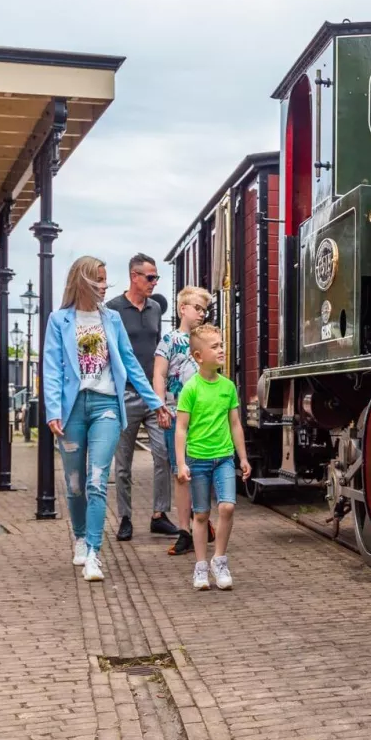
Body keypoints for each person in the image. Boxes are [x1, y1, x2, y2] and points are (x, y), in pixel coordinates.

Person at [43, 256, 168, 582]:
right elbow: (52, 368)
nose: (104, 285)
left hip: (106, 407)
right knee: (74, 485)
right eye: (98, 279)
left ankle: (95, 554)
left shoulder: (111, 319)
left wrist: (156, 403)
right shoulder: (59, 321)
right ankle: (81, 537)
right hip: (72, 410)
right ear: (83, 280)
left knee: (97, 481)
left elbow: (130, 364)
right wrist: (52, 410)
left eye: (105, 279)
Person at [173, 324, 251, 590]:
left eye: (221, 345)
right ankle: (201, 567)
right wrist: (181, 463)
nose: (221, 350)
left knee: (227, 506)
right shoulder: (191, 389)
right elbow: (181, 428)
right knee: (202, 515)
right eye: (215, 347)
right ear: (198, 356)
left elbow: (235, 425)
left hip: (224, 458)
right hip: (198, 460)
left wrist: (243, 457)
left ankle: (220, 560)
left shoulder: (228, 387)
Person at [107, 252, 176, 542]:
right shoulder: (112, 309)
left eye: (156, 277)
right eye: (150, 277)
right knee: (123, 463)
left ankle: (159, 515)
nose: (154, 282)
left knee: (163, 455)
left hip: (153, 395)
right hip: (124, 395)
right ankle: (124, 517)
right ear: (134, 277)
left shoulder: (155, 310)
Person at [154, 285, 212, 557]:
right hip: (176, 414)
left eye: (204, 310)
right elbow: (160, 375)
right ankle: (184, 531)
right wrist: (160, 406)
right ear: (182, 309)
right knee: (181, 473)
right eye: (197, 308)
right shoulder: (169, 340)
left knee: (202, 468)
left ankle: (201, 520)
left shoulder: (205, 340)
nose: (201, 314)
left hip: (204, 415)